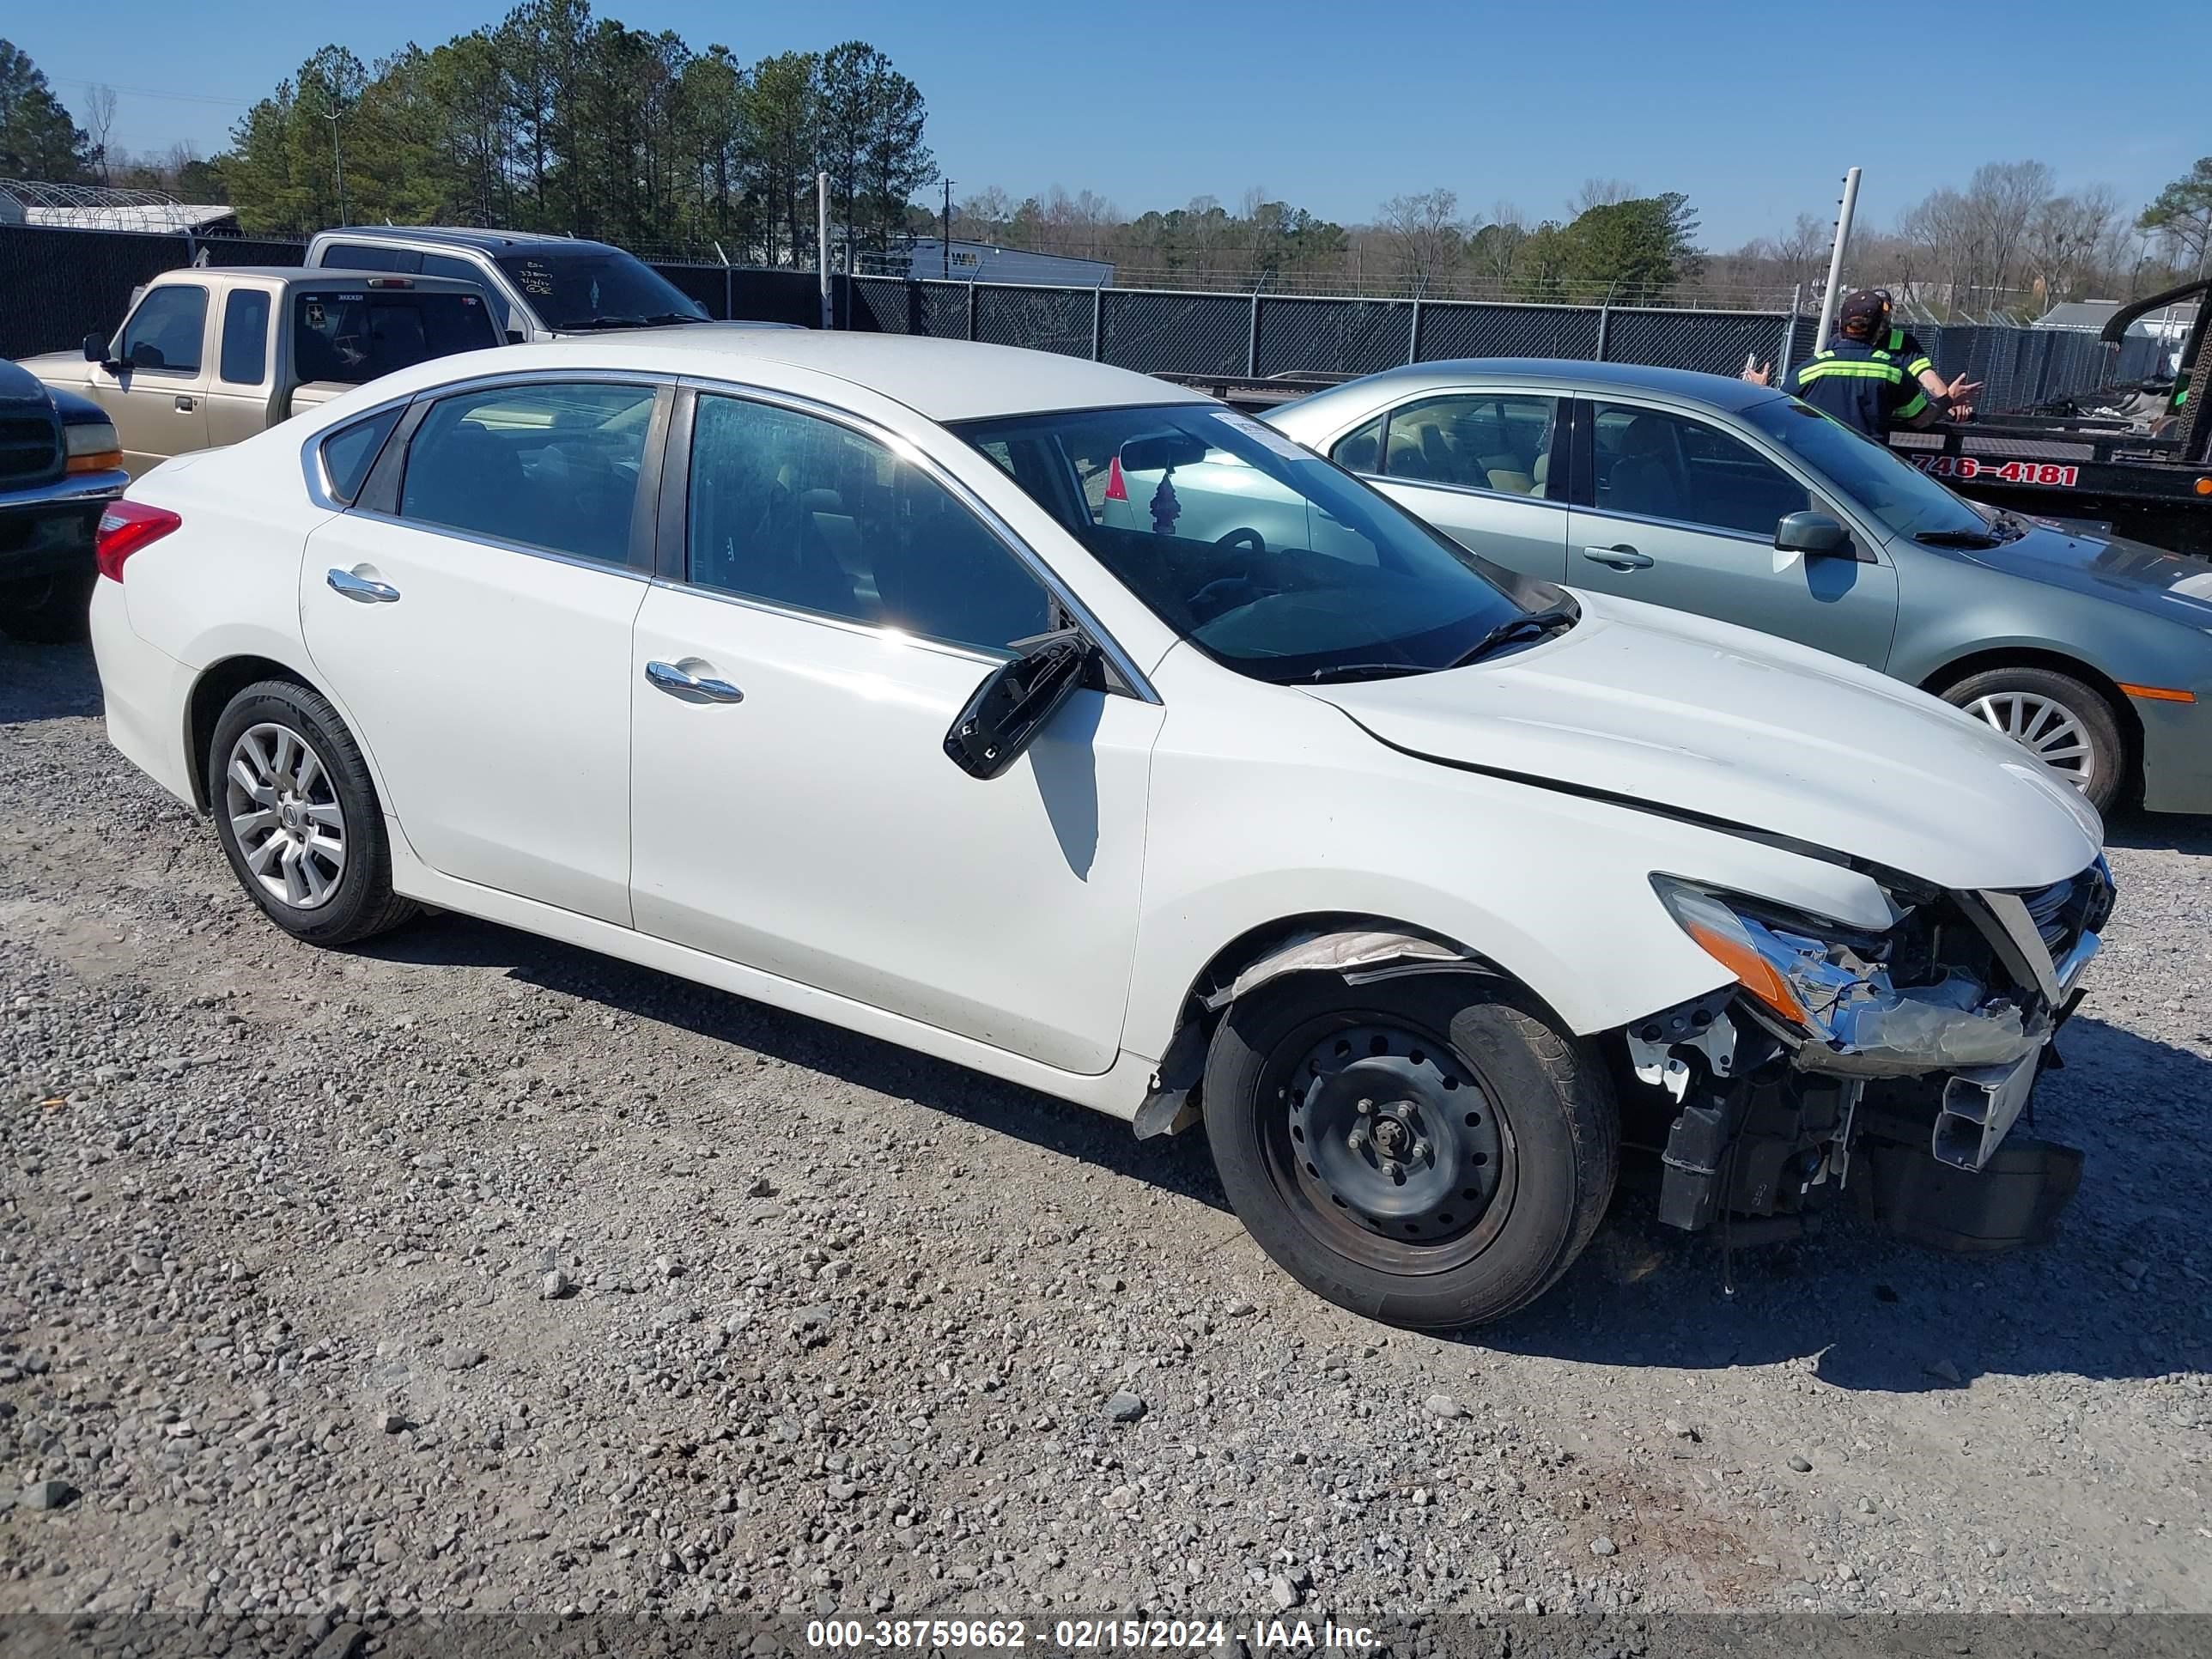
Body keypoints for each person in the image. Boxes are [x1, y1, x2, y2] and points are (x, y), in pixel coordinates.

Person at [1746, 289, 1980, 431]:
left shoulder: (1810, 369)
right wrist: (1949, 399)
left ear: (1840, 324)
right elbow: (1922, 418)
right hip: (1868, 469)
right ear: (1879, 326)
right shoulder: (1893, 372)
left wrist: (1763, 392)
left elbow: (1782, 410)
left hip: (1817, 471)